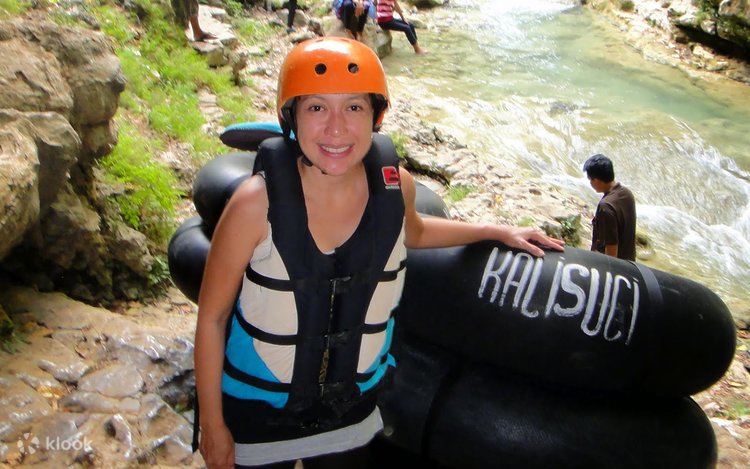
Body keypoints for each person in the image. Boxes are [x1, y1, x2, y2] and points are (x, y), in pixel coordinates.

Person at [194, 37, 564, 469]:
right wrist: (213, 426)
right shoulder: (254, 204)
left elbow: (415, 230)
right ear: (290, 116)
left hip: (349, 407)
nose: (336, 129)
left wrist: (494, 230)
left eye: (354, 107)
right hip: (258, 412)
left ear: (376, 116)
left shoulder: (393, 186)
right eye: (316, 107)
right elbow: (213, 317)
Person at [583, 153, 637, 261]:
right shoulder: (627, 194)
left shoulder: (606, 207)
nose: (590, 183)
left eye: (590, 180)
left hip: (613, 266)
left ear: (596, 180)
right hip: (629, 262)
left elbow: (611, 248)